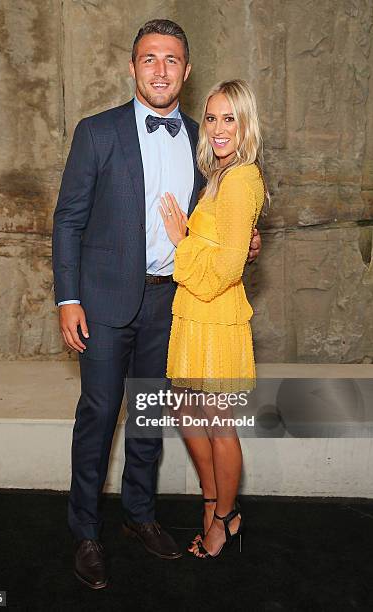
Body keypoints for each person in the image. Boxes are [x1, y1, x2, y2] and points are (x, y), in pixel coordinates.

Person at [52, 20, 261, 589]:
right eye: (150, 59)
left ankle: (140, 517)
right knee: (98, 415)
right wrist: (68, 298)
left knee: (148, 418)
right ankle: (86, 530)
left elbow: (222, 218)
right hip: (102, 302)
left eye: (172, 60)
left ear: (186, 72)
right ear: (133, 67)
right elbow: (67, 219)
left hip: (173, 304)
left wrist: (248, 238)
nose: (161, 70)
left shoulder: (204, 141)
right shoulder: (95, 132)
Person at [159, 79, 267, 558]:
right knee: (184, 411)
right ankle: (212, 500)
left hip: (217, 316)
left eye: (230, 118)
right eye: (212, 117)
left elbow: (226, 268)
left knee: (220, 423)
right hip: (194, 315)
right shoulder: (218, 177)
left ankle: (224, 518)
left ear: (245, 125)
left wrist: (182, 241)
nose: (220, 128)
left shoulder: (242, 178)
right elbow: (227, 245)